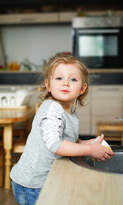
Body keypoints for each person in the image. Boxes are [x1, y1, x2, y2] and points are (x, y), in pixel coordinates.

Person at [10, 54, 115, 205]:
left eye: (73, 79)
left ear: (82, 88)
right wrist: (90, 151)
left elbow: (64, 138)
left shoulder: (70, 110)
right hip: (32, 184)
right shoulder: (52, 109)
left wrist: (85, 143)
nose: (65, 83)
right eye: (59, 78)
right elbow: (55, 144)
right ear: (48, 85)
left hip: (44, 180)